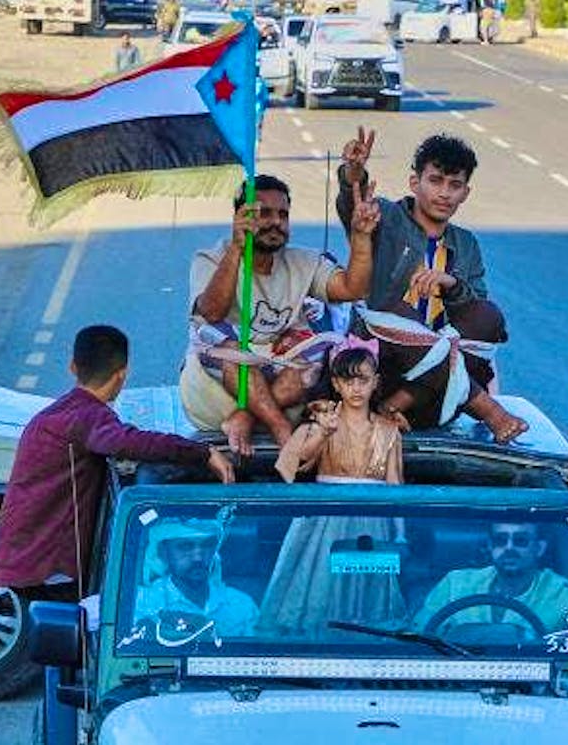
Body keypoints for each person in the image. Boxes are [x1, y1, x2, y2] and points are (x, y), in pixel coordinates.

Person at [0, 325, 235, 604]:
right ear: (123, 373)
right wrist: (203, 453)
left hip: (21, 560)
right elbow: (129, 442)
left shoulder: (52, 416)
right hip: (49, 570)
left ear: (73, 367)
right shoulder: (86, 417)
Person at [336, 128, 527, 443]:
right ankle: (490, 411)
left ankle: (394, 406)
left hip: (437, 392)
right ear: (415, 183)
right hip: (384, 366)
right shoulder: (386, 217)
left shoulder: (466, 244)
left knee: (489, 314)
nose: (444, 193)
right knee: (397, 312)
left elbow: (478, 319)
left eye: (455, 185)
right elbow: (351, 206)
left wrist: (450, 284)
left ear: (465, 192)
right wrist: (352, 173)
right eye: (435, 181)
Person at [179, 174, 379, 456]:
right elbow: (211, 313)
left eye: (283, 215)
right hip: (227, 372)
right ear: (241, 217)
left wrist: (361, 238)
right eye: (264, 213)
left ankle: (247, 417)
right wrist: (236, 249)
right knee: (231, 351)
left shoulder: (304, 261)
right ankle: (280, 427)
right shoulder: (211, 258)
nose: (276, 222)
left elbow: (352, 289)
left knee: (314, 356)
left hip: (280, 369)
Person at [258, 345, 407, 637]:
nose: (356, 388)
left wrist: (400, 535)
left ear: (375, 382)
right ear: (336, 384)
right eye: (348, 380)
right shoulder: (323, 421)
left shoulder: (389, 430)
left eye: (363, 380)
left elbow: (396, 489)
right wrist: (324, 432)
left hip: (373, 524)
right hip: (326, 521)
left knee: (369, 599)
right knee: (320, 588)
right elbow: (298, 462)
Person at [413, 522, 568, 634]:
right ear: (490, 546)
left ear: (539, 548)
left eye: (520, 540)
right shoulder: (454, 584)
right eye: (500, 540)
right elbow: (418, 636)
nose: (509, 548)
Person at [135, 518, 258, 637]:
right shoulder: (142, 602)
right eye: (185, 546)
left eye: (207, 545)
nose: (198, 558)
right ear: (163, 553)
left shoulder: (242, 604)